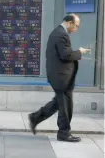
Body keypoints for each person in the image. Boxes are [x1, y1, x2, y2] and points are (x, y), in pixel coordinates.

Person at [28, 13, 89, 142]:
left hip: (59, 76)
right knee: (66, 106)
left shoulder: (58, 32)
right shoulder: (61, 34)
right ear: (69, 22)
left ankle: (35, 117)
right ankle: (64, 133)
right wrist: (79, 52)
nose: (76, 29)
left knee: (59, 103)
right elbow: (66, 55)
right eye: (76, 26)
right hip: (61, 78)